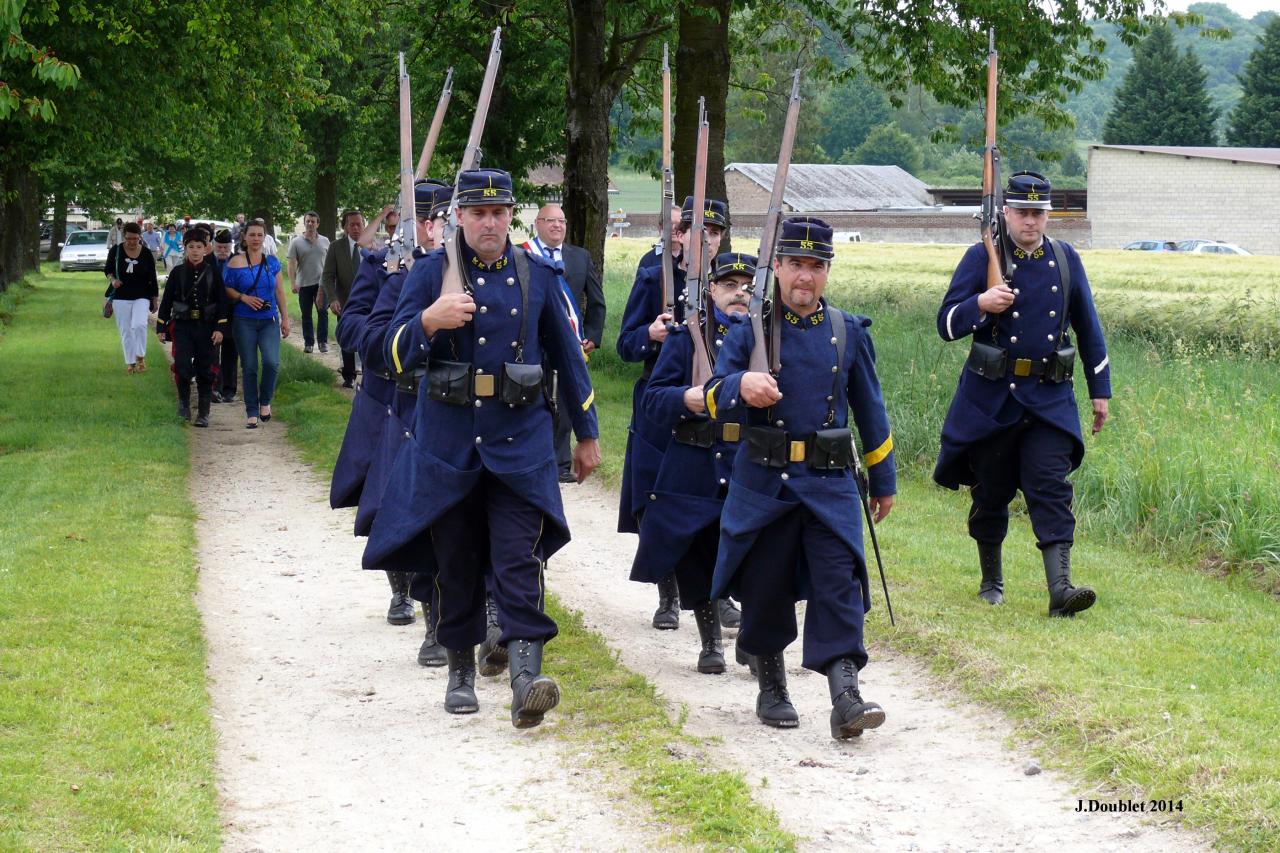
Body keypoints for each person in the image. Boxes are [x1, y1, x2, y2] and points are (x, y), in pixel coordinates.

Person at [366, 168, 600, 727]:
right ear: (460, 218)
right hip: (449, 445)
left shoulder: (537, 274)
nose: (490, 223)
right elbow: (382, 353)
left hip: (520, 443)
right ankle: (460, 673)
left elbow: (568, 358)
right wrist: (428, 321)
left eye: (499, 213)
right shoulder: (430, 274)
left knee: (519, 559)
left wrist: (587, 434)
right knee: (457, 562)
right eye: (478, 213)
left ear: (511, 215)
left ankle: (526, 680)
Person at [703, 216, 896, 738]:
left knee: (840, 585)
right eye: (795, 264)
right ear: (778, 267)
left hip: (830, 482)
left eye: (815, 265)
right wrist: (743, 385)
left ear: (827, 270)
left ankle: (846, 697)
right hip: (766, 483)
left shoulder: (847, 332)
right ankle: (771, 685)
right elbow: (714, 396)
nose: (805, 276)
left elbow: (871, 411)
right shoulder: (749, 330)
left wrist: (883, 481)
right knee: (766, 586)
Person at [933, 170, 1111, 617]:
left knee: (1050, 486)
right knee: (991, 491)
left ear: (1047, 215)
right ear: (1006, 213)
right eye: (1022, 212)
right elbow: (946, 324)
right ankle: (991, 580)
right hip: (993, 399)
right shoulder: (982, 256)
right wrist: (980, 304)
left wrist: (1100, 391)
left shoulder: (1065, 259)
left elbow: (1088, 327)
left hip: (1050, 397)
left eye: (1038, 213)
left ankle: (1061, 589)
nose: (1030, 221)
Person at [631, 252, 754, 674]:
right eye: (729, 285)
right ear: (712, 290)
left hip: (750, 459)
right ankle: (710, 641)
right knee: (698, 551)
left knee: (757, 553)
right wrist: (685, 397)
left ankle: (754, 639)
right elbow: (653, 399)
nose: (739, 294)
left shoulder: (768, 337)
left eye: (747, 287)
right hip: (696, 456)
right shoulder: (688, 336)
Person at [354, 180, 457, 667]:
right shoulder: (386, 269)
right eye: (437, 220)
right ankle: (416, 606)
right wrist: (407, 324)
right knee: (399, 505)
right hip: (398, 399)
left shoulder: (475, 273)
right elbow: (359, 331)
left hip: (456, 407)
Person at [616, 195, 728, 631]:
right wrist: (650, 333)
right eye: (700, 231)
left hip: (713, 407)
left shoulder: (732, 282)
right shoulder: (654, 276)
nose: (708, 240)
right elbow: (626, 345)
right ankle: (668, 594)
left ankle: (719, 593)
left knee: (714, 498)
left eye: (715, 232)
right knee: (656, 498)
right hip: (660, 402)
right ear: (681, 234)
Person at [331, 183, 437, 630]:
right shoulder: (380, 266)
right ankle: (400, 588)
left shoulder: (458, 270)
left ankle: (442, 609)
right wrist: (386, 342)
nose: (432, 229)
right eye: (425, 220)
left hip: (441, 396)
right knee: (386, 494)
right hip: (388, 395)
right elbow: (350, 326)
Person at [522, 203, 606, 482]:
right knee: (534, 398)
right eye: (550, 220)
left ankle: (560, 463)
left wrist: (592, 336)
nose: (557, 225)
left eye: (561, 221)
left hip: (570, 342)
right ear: (538, 223)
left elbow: (596, 301)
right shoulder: (522, 254)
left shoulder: (580, 257)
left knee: (567, 400)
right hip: (533, 343)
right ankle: (534, 457)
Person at [223, 219, 291, 428]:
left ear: (264, 237)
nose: (256, 239)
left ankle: (266, 401)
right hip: (244, 321)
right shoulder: (235, 262)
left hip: (269, 320)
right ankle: (251, 411)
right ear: (244, 237)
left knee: (271, 362)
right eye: (252, 234)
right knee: (250, 366)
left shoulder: (272, 262)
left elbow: (280, 291)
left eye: (260, 235)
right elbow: (227, 288)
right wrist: (243, 297)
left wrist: (285, 318)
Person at [156, 230, 228, 426]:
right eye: (191, 247)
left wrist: (220, 328)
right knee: (181, 364)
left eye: (199, 247)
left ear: (205, 249)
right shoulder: (177, 272)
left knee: (205, 367)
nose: (195, 251)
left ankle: (204, 412)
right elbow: (167, 301)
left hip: (207, 327)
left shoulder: (213, 272)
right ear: (185, 248)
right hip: (183, 326)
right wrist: (161, 327)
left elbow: (222, 302)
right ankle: (184, 405)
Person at [104, 222, 159, 374]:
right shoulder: (116, 250)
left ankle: (140, 356)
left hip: (142, 295)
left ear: (139, 237)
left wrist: (154, 298)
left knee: (139, 325)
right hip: (120, 296)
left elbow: (152, 277)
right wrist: (113, 280)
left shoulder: (146, 253)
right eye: (128, 238)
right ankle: (130, 362)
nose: (132, 242)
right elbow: (108, 269)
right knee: (126, 330)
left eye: (135, 238)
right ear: (124, 236)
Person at [321, 209, 366, 387]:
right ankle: (349, 376)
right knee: (347, 337)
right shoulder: (336, 247)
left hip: (370, 302)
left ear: (364, 225)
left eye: (359, 224)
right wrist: (332, 298)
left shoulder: (372, 245)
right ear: (345, 227)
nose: (355, 228)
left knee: (369, 337)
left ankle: (369, 375)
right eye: (351, 225)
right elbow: (327, 276)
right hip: (345, 301)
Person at [287, 211, 331, 353]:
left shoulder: (325, 241)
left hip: (322, 285)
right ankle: (308, 343)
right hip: (304, 284)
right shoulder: (296, 242)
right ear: (304, 223)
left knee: (322, 312)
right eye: (308, 221)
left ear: (318, 224)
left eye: (313, 221)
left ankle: (323, 342)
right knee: (306, 315)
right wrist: (293, 283)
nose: (310, 224)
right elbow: (291, 264)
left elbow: (330, 263)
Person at [210, 230, 239, 403]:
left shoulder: (238, 261)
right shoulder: (206, 261)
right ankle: (215, 387)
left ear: (231, 247)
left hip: (232, 311)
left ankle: (229, 389)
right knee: (212, 351)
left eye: (225, 248)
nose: (222, 251)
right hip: (212, 313)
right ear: (214, 246)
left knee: (231, 351)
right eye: (219, 247)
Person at [636, 202, 683, 274]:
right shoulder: (647, 260)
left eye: (678, 224)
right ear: (660, 227)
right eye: (669, 224)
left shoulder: (690, 258)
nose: (673, 228)